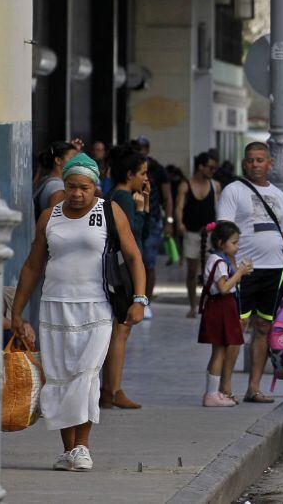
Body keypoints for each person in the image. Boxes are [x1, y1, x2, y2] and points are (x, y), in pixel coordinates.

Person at [10, 153, 147, 472]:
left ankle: (82, 446)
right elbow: (32, 266)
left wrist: (139, 299)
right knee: (59, 378)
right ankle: (68, 450)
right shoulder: (50, 216)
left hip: (96, 307)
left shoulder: (109, 211)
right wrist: (17, 313)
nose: (76, 193)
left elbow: (134, 257)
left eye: (84, 187)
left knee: (85, 376)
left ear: (94, 186)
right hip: (54, 308)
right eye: (71, 186)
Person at [216, 142, 283, 403]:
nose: (255, 164)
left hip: (275, 270)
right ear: (244, 163)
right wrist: (230, 269)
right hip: (244, 270)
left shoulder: (279, 195)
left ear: (269, 163)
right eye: (250, 160)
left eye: (260, 160)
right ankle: (225, 387)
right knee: (237, 328)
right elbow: (224, 231)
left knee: (264, 327)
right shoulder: (233, 191)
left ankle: (254, 387)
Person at [100, 143, 149, 410]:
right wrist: (141, 212)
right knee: (121, 329)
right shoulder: (125, 199)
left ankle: (110, 389)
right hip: (124, 271)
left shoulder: (114, 194)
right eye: (142, 173)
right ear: (129, 174)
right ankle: (113, 389)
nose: (145, 179)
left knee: (118, 330)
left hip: (116, 269)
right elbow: (133, 239)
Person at [198, 221, 252, 407]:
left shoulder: (218, 259)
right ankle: (212, 394)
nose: (237, 247)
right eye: (234, 243)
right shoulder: (219, 261)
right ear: (221, 243)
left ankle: (213, 392)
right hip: (220, 307)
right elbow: (223, 288)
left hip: (223, 307)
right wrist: (239, 274)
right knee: (219, 351)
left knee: (219, 351)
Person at [131, 137, 173, 314]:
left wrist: (168, 221)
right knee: (134, 259)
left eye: (143, 148)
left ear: (148, 149)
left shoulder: (158, 169)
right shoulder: (131, 168)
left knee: (148, 262)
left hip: (153, 219)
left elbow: (167, 197)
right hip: (134, 216)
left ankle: (145, 301)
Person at [177, 152, 221, 317]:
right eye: (210, 167)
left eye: (214, 168)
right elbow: (179, 207)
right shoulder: (185, 185)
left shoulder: (215, 186)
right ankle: (193, 305)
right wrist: (179, 223)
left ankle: (209, 303)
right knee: (192, 271)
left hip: (210, 234)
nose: (212, 170)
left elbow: (220, 208)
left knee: (210, 271)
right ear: (201, 166)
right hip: (192, 233)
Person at [34, 141, 77, 219]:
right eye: (72, 159)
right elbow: (56, 223)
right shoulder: (58, 188)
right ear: (58, 160)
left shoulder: (45, 180)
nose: (77, 162)